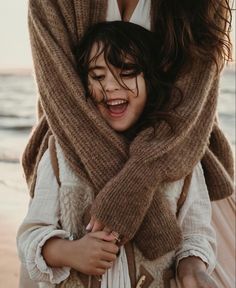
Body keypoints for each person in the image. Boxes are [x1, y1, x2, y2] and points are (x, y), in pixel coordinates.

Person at [21, 0, 234, 286]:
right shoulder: (57, 163)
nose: (111, 86)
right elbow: (61, 91)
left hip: (180, 150)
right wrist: (141, 214)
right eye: (98, 76)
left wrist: (140, 177)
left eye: (127, 73)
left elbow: (191, 101)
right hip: (72, 147)